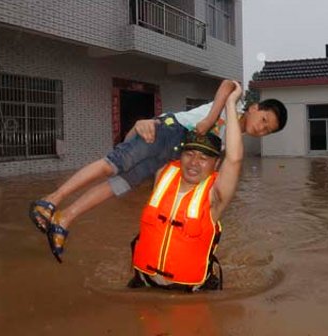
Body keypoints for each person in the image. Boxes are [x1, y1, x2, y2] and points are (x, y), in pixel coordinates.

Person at [29, 80, 287, 262]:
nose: (261, 129)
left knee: (118, 186)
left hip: (171, 154)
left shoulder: (231, 138)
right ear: (254, 107)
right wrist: (210, 118)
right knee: (112, 164)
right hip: (166, 132)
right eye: (263, 120)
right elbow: (229, 85)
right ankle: (51, 200)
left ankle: (64, 219)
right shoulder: (235, 105)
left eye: (267, 130)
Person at [128, 81, 244, 291]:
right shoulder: (163, 173)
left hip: (189, 294)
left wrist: (231, 104)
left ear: (216, 163)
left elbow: (234, 159)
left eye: (203, 158)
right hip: (143, 283)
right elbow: (127, 151)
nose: (194, 163)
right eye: (189, 154)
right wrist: (138, 126)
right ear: (179, 156)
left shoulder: (215, 195)